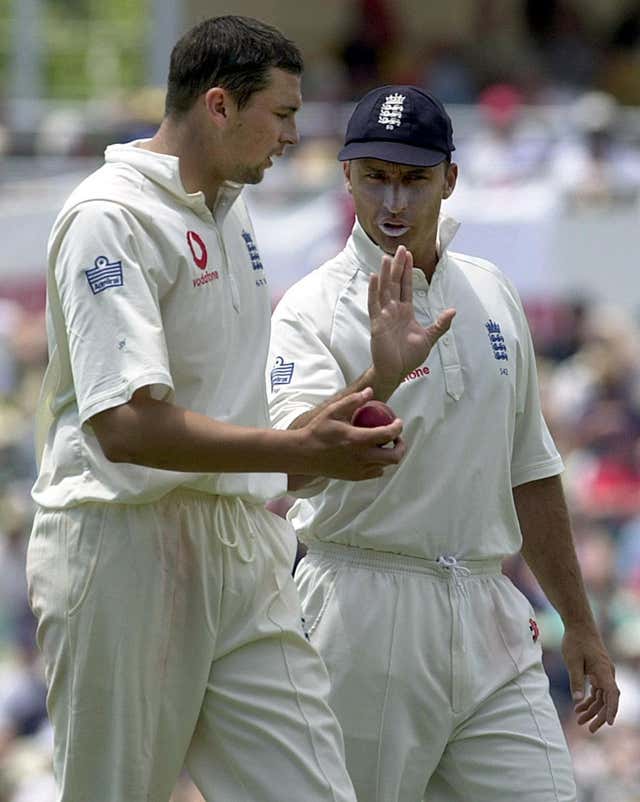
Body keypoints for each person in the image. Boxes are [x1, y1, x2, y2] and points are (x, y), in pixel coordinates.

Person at [25, 17, 406, 802]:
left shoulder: (231, 210)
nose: (295, 136)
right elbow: (124, 427)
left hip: (241, 543)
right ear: (221, 105)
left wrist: (376, 382)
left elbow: (251, 422)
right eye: (284, 114)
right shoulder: (109, 216)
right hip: (120, 545)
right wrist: (299, 454)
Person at [268, 84, 620, 802]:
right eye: (375, 178)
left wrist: (579, 623)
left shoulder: (492, 292)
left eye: (414, 179)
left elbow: (533, 469)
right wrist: (382, 377)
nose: (393, 202)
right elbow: (292, 467)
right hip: (360, 606)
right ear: (347, 177)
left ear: (450, 179)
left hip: (487, 605)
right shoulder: (311, 306)